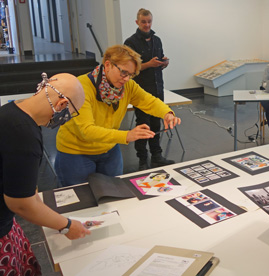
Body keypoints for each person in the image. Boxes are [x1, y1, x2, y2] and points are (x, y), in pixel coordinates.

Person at [0, 73, 91, 275]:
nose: (66, 119)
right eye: (71, 112)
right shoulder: (23, 134)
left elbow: (24, 188)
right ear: (62, 104)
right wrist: (66, 225)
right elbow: (20, 203)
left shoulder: (11, 110)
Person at [55, 45, 181, 187]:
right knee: (79, 200)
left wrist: (167, 113)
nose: (127, 79)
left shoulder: (127, 86)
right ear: (108, 65)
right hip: (75, 152)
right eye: (123, 72)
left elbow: (148, 101)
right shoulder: (81, 87)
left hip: (109, 149)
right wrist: (126, 136)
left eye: (131, 74)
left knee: (114, 193)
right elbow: (86, 131)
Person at [124, 8, 173, 170]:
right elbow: (129, 69)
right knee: (143, 124)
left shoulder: (157, 40)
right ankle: (142, 158)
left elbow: (158, 64)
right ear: (137, 22)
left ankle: (156, 155)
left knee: (156, 124)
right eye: (143, 22)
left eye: (149, 21)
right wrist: (148, 64)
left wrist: (163, 63)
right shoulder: (130, 43)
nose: (147, 25)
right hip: (141, 90)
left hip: (158, 87)